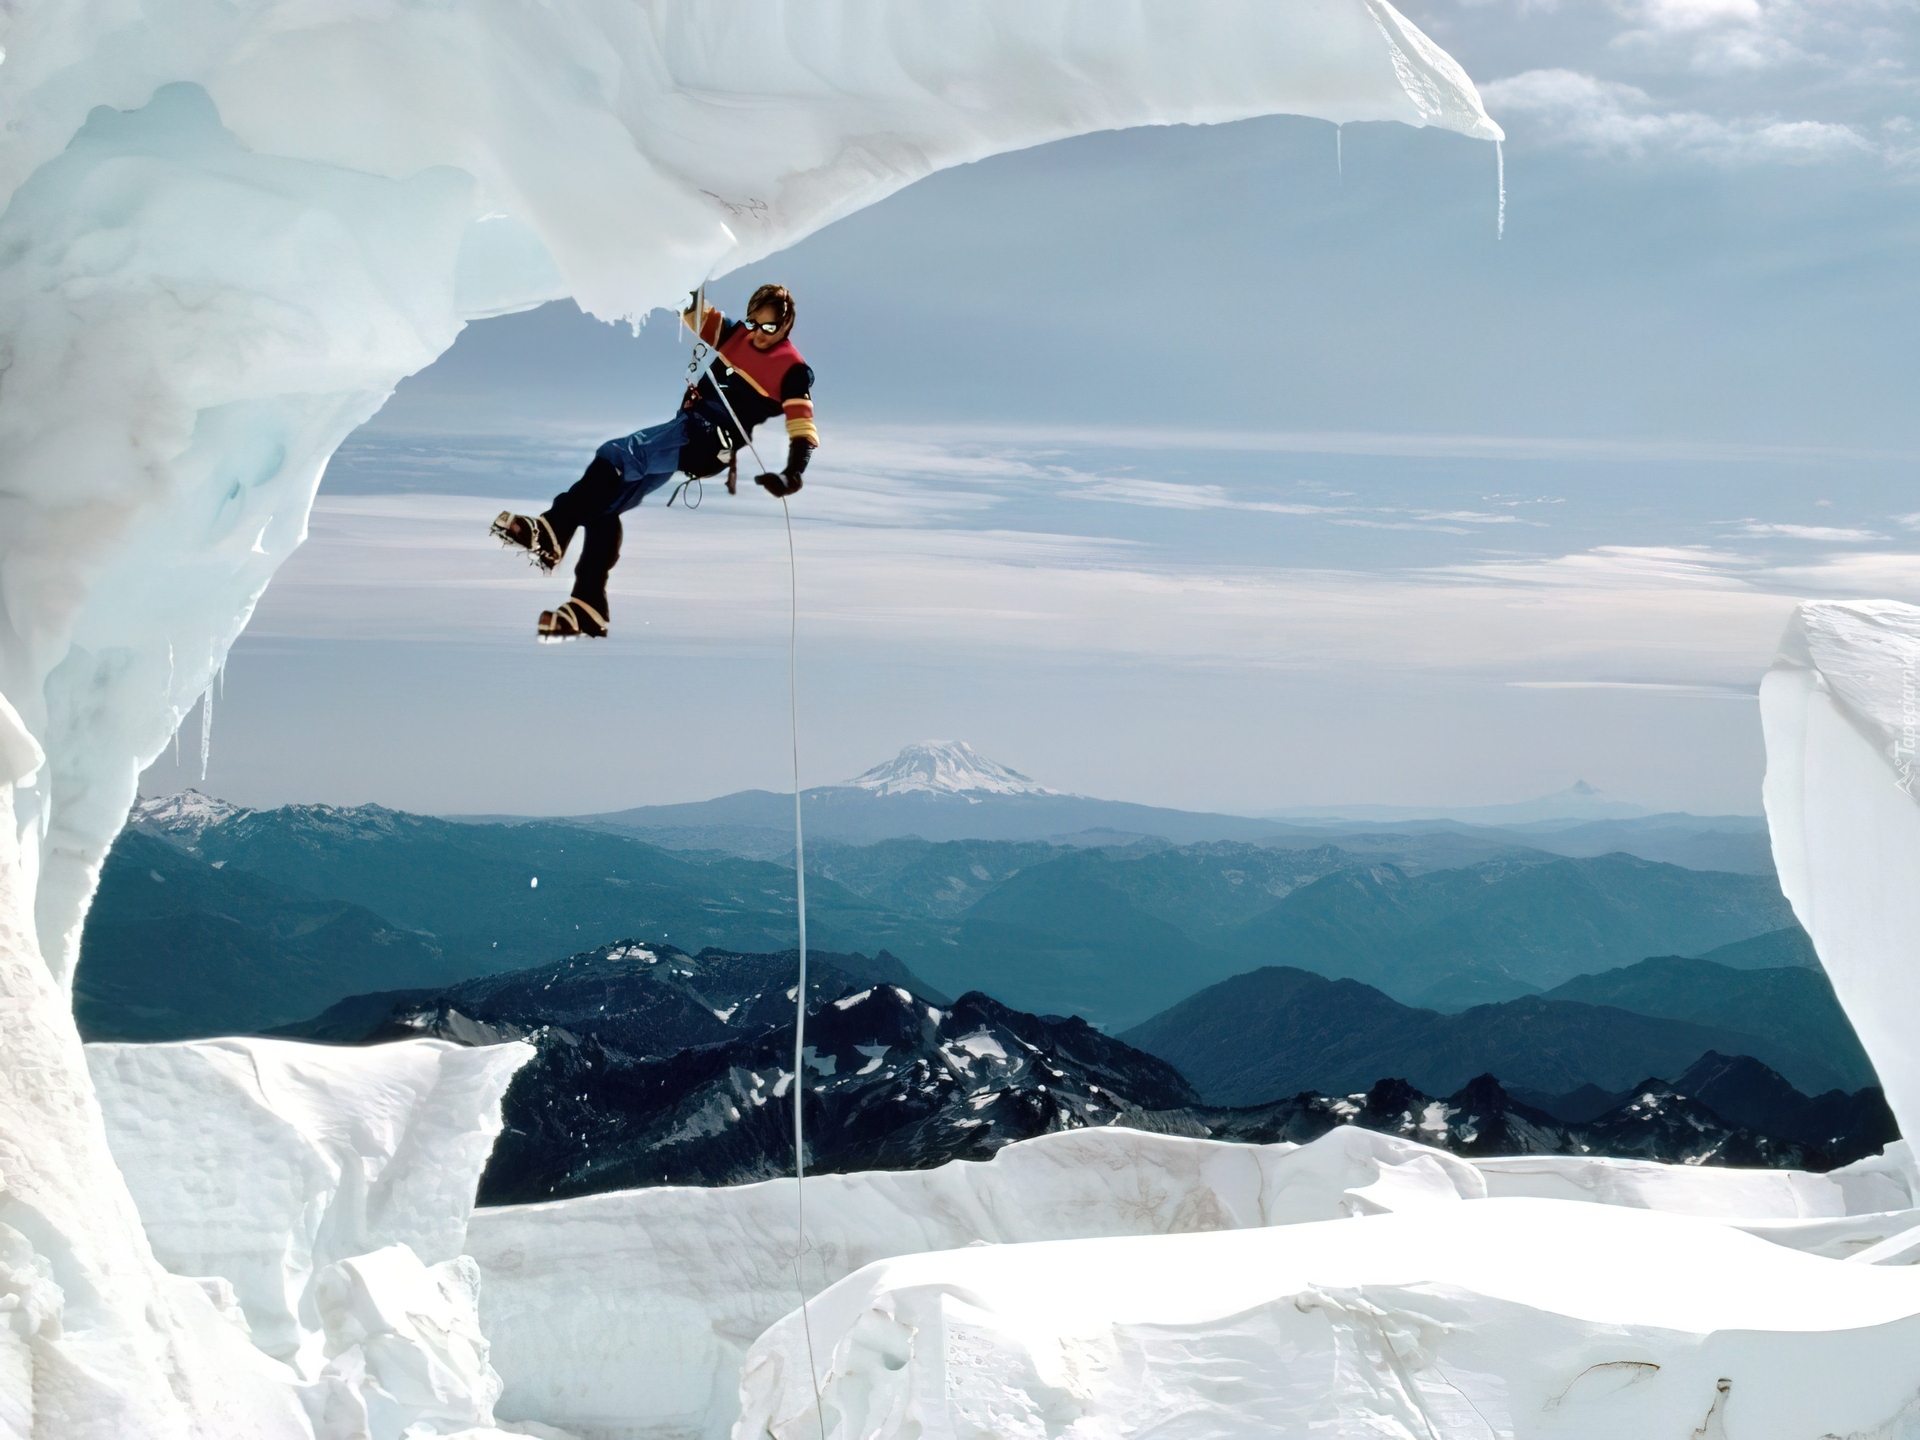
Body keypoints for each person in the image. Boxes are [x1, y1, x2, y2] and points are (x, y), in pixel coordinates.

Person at [490, 283, 818, 639]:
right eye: (754, 323)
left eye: (769, 328)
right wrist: (681, 269)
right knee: (605, 503)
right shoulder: (735, 334)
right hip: (688, 431)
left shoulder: (792, 370)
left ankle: (551, 530)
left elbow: (803, 429)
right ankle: (588, 605)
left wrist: (792, 475)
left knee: (619, 454)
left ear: (785, 327)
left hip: (704, 439)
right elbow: (691, 307)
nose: (758, 335)